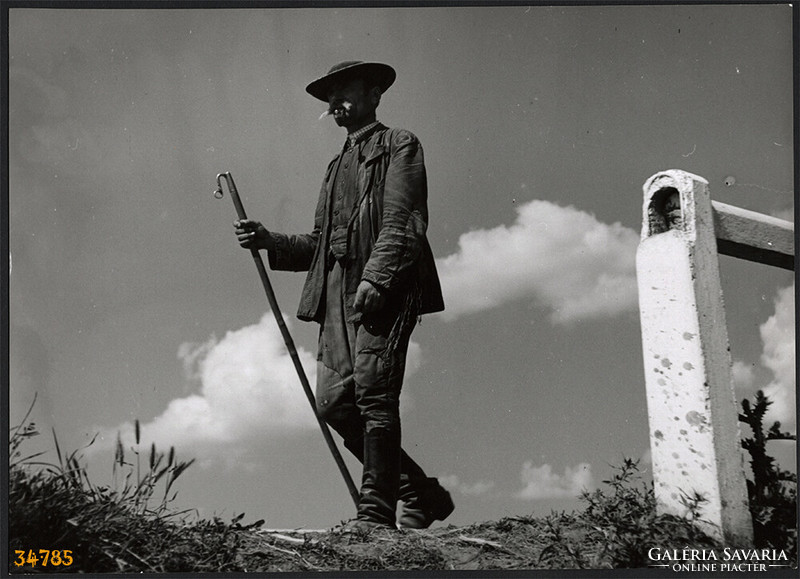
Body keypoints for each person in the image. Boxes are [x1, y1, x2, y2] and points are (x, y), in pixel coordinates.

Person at [234, 61, 453, 531]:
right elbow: (321, 244)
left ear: (375, 94)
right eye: (329, 97)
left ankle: (375, 514)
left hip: (381, 288)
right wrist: (271, 240)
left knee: (375, 393)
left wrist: (378, 278)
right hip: (335, 296)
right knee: (334, 402)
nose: (335, 103)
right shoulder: (335, 166)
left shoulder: (399, 144)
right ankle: (421, 491)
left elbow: (404, 220)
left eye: (344, 92)